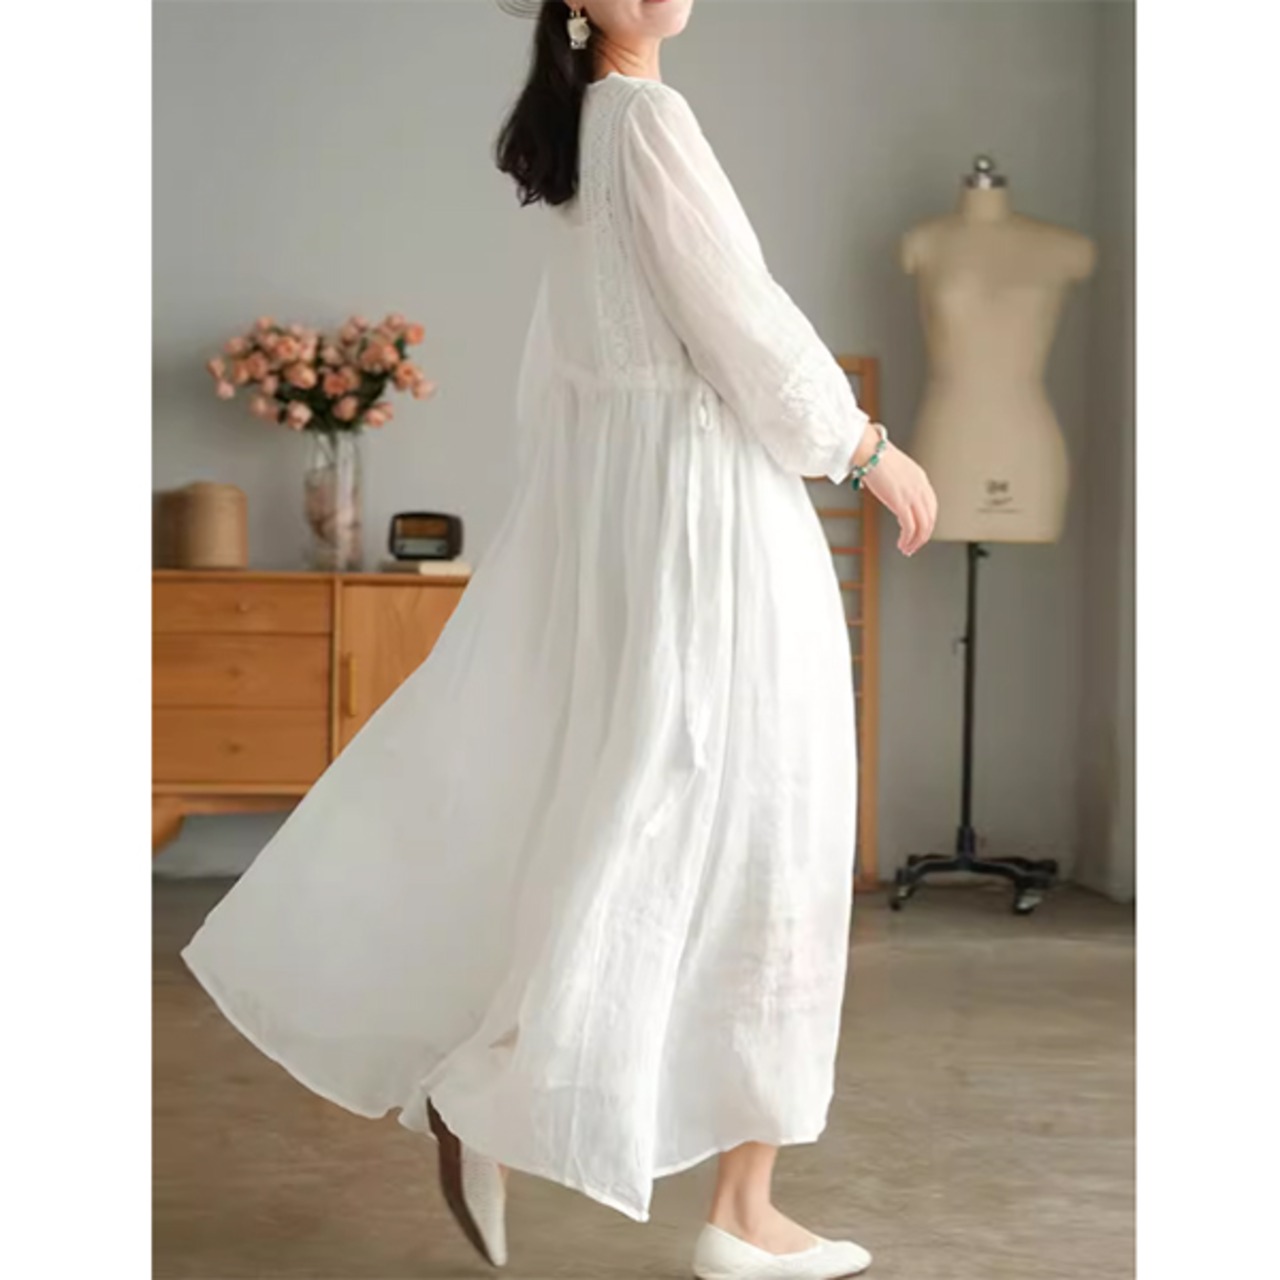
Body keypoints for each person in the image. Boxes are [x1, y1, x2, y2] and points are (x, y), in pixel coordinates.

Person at [180, 1, 938, 1277]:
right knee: (758, 822)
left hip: (650, 515)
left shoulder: (590, 132)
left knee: (659, 806)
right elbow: (742, 318)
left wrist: (591, 513)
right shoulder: (645, 118)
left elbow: (573, 373)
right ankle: (696, 1189)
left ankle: (609, 1136)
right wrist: (864, 448)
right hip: (713, 521)